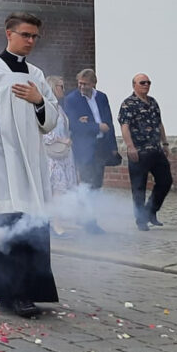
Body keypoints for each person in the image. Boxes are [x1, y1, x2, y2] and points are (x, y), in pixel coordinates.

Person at [0, 13, 61, 318]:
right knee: (8, 225)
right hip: (2, 161)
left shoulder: (36, 74)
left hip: (32, 162)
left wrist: (39, 100)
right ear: (9, 33)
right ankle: (12, 293)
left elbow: (51, 119)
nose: (31, 41)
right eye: (25, 35)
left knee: (32, 223)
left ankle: (33, 290)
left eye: (34, 36)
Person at [62, 68, 114, 235]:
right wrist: (96, 127)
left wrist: (113, 146)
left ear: (93, 83)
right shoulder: (72, 99)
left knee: (97, 184)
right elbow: (73, 125)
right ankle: (89, 222)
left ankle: (84, 215)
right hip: (84, 149)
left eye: (85, 84)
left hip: (100, 146)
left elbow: (109, 122)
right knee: (86, 184)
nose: (82, 86)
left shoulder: (102, 97)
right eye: (80, 83)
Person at [119, 73, 172, 231]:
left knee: (165, 181)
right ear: (134, 85)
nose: (146, 85)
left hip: (155, 149)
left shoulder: (153, 102)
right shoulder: (128, 104)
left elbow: (159, 123)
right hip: (139, 151)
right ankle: (140, 219)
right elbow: (124, 126)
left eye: (148, 82)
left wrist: (165, 143)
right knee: (139, 187)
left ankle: (151, 211)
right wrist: (130, 146)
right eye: (142, 82)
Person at [43, 75, 77, 237]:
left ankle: (53, 221)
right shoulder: (46, 107)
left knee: (59, 190)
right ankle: (55, 223)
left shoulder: (59, 107)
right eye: (60, 87)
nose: (63, 90)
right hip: (51, 155)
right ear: (52, 88)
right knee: (57, 188)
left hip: (63, 153)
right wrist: (61, 140)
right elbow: (44, 132)